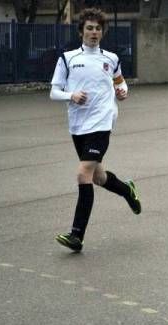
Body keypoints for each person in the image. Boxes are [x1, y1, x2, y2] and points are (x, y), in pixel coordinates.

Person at [50, 8, 141, 252]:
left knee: (83, 175)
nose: (94, 32)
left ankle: (76, 235)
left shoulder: (111, 58)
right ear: (81, 31)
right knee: (99, 177)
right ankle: (127, 190)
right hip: (78, 125)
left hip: (102, 123)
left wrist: (123, 92)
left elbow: (120, 82)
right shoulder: (67, 58)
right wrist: (71, 95)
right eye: (89, 28)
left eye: (98, 28)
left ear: (103, 32)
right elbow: (54, 91)